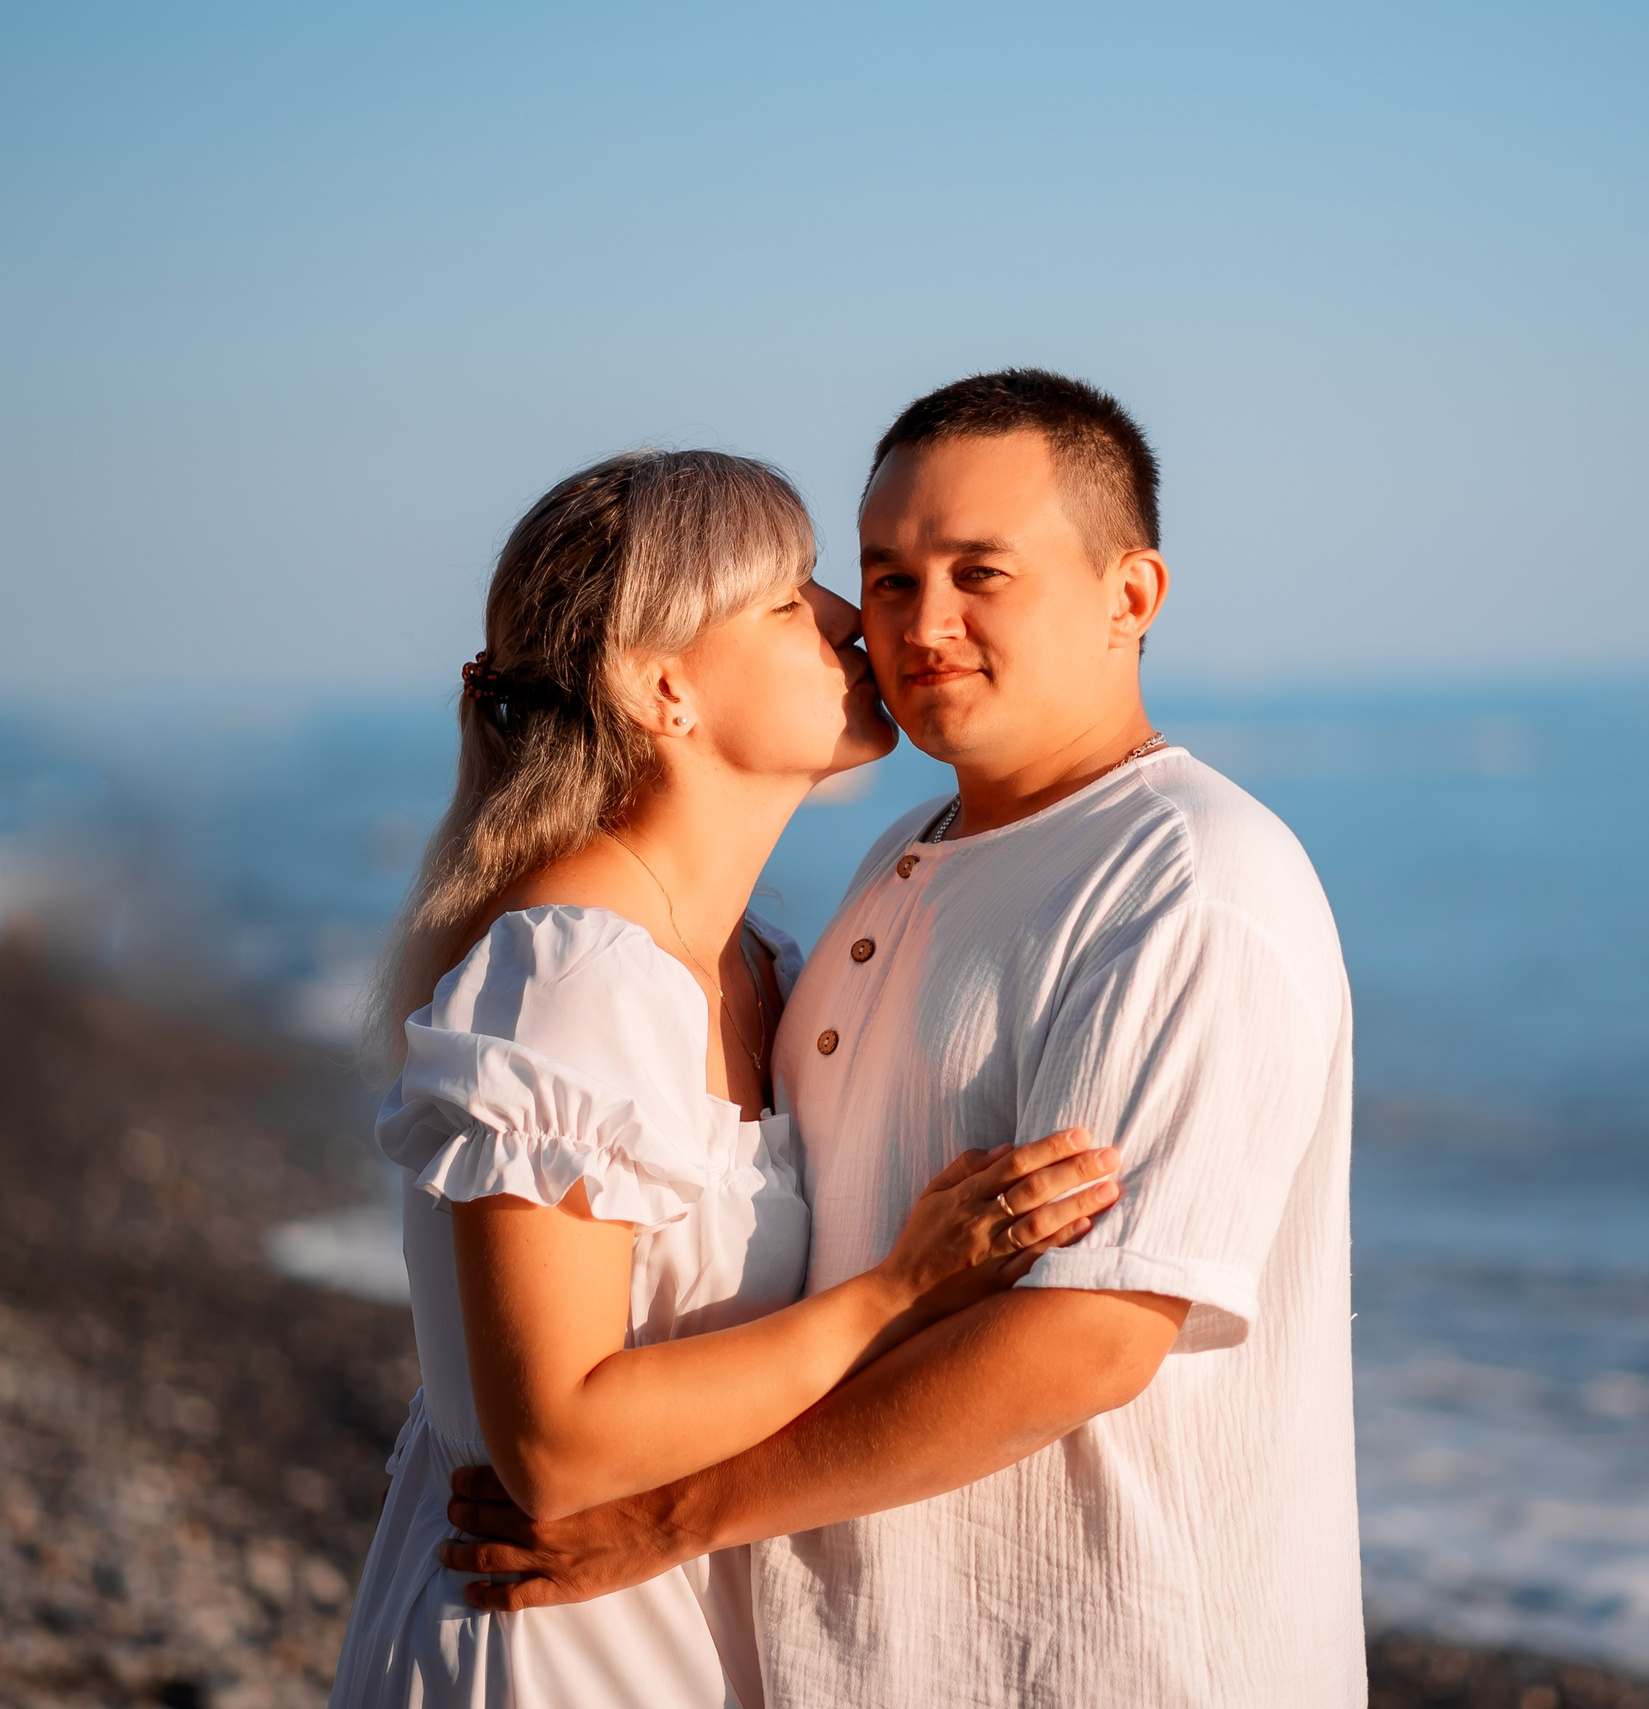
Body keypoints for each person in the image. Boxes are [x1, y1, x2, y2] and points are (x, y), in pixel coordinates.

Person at [440, 372, 1367, 1707]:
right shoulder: (902, 858)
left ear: (1131, 595)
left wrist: (674, 1514)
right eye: (884, 576)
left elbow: (1091, 1335)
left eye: (981, 571)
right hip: (870, 1654)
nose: (920, 624)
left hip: (1111, 1658)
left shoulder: (1190, 882)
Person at [330, 448, 1122, 1709]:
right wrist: (897, 1290)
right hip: (546, 1643)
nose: (854, 622)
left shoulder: (756, 960)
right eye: (786, 598)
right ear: (662, 688)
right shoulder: (573, 977)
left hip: (677, 1623)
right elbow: (557, 1443)